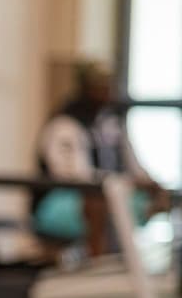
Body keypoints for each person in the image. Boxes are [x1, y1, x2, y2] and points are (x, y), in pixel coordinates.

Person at [33, 60, 173, 258]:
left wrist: (149, 184)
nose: (107, 91)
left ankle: (134, 259)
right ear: (86, 87)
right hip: (66, 199)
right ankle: (97, 261)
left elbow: (134, 165)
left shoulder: (112, 122)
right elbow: (73, 175)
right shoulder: (65, 123)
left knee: (156, 196)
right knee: (98, 201)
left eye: (108, 85)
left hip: (114, 190)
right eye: (99, 85)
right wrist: (123, 182)